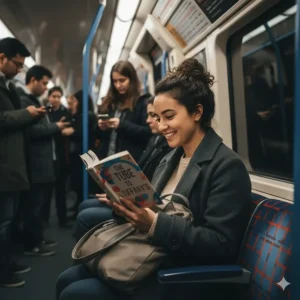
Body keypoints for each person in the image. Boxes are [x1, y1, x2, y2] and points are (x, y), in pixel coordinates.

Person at [56, 58, 252, 300]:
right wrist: (123, 203)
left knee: (75, 293)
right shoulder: (169, 158)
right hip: (147, 252)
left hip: (177, 270)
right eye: (158, 118)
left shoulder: (226, 166)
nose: (161, 126)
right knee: (66, 279)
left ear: (197, 112)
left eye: (168, 116)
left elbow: (221, 245)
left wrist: (153, 224)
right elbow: (152, 205)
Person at [73, 97, 172, 239]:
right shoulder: (154, 141)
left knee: (85, 216)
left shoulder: (164, 146)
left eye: (154, 116)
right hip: (134, 200)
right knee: (85, 205)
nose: (148, 120)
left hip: (143, 207)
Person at [0, 37, 46, 288]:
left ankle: (7, 262)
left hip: (12, 163)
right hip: (4, 165)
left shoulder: (8, 87)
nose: (19, 70)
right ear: (1, 58)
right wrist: (25, 114)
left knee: (7, 220)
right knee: (3, 222)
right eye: (17, 65)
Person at [19, 65, 70, 256]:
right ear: (33, 80)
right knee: (33, 206)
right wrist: (56, 126)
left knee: (38, 204)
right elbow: (32, 131)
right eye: (44, 83)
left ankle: (37, 238)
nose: (46, 88)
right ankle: (32, 244)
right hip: (36, 163)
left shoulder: (34, 101)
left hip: (44, 162)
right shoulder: (26, 102)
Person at [96, 60, 152, 163]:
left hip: (130, 162)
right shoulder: (109, 102)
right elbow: (100, 137)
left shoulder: (142, 102)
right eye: (115, 81)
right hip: (107, 159)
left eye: (122, 80)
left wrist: (122, 125)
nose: (118, 85)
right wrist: (101, 127)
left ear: (131, 79)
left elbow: (148, 132)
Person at [61, 90, 97, 216]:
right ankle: (78, 207)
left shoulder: (87, 116)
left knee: (82, 183)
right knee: (77, 184)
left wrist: (72, 131)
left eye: (75, 100)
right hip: (80, 154)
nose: (73, 103)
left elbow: (81, 133)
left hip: (84, 154)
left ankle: (81, 209)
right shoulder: (78, 115)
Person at [42, 86, 73, 228]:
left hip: (61, 155)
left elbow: (69, 130)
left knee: (61, 191)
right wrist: (57, 128)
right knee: (46, 192)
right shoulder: (44, 112)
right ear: (48, 97)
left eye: (58, 97)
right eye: (53, 96)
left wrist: (57, 129)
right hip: (47, 155)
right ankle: (44, 220)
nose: (55, 99)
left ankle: (62, 219)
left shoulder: (65, 113)